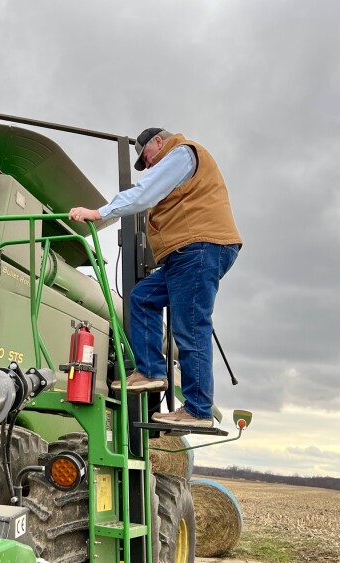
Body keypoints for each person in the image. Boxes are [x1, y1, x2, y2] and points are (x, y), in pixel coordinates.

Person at [69, 128, 241, 427]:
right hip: (184, 253)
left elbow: (144, 193)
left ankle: (199, 410)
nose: (146, 164)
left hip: (198, 248)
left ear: (158, 142)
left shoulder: (181, 153)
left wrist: (98, 213)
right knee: (143, 296)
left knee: (190, 326)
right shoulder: (177, 165)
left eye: (145, 157)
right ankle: (151, 371)